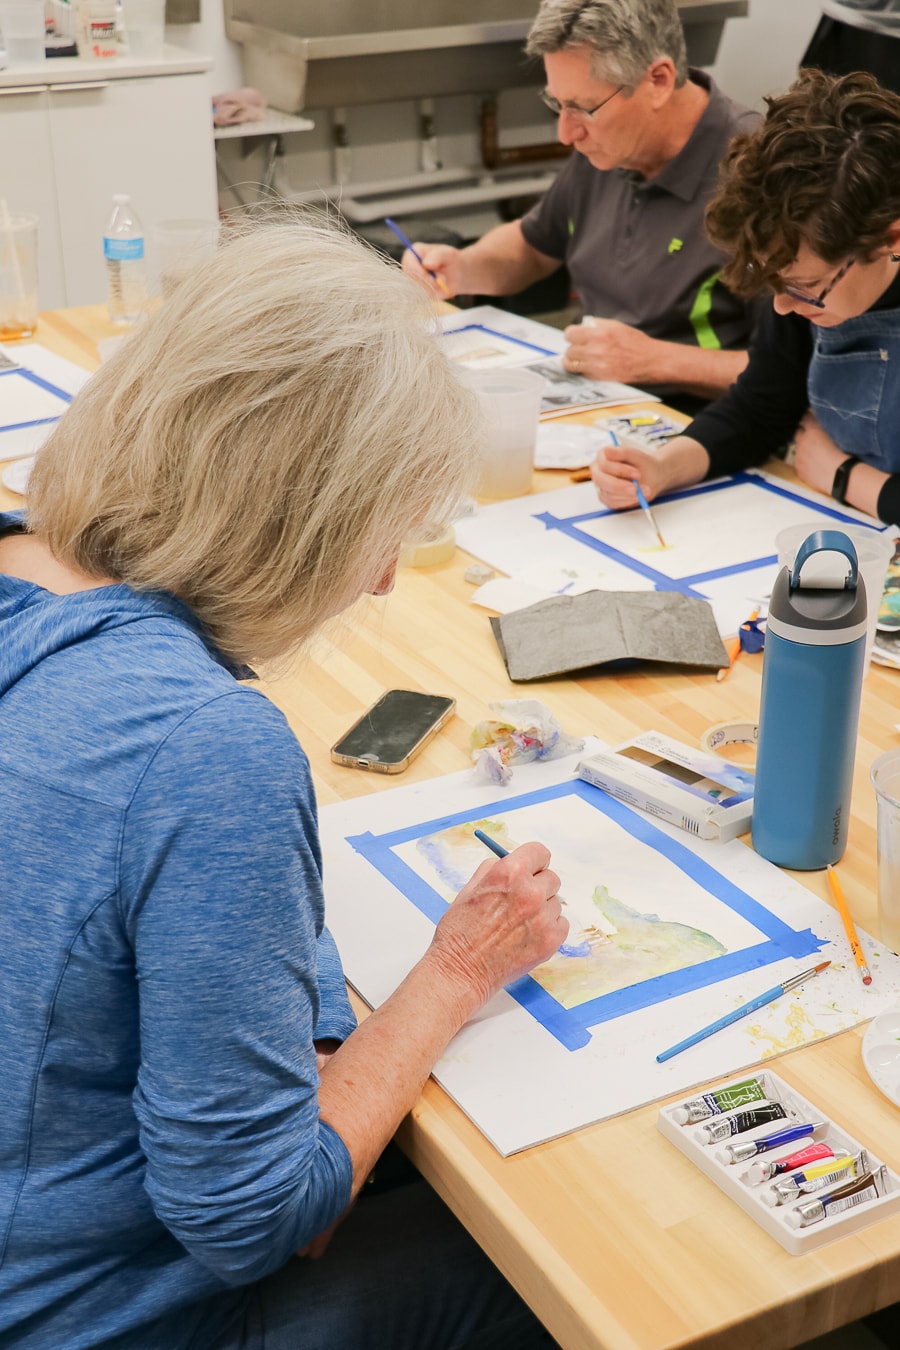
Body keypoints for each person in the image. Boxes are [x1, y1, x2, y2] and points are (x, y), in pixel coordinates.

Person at [0, 221, 568, 1350]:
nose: (387, 578)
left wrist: (312, 1033)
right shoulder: (205, 744)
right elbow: (254, 1219)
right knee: (558, 1265)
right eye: (381, 529)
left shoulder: (28, 566)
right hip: (80, 1320)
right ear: (296, 513)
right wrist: (456, 972)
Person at [401, 0, 759, 407]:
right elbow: (532, 248)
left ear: (658, 81)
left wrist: (657, 362)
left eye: (582, 108)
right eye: (557, 104)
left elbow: (798, 372)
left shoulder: (757, 175)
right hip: (594, 401)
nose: (565, 134)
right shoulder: (610, 148)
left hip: (702, 426)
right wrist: (465, 267)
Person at [590, 68, 900, 525]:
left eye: (805, 290)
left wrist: (847, 477)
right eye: (775, 283)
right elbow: (761, 406)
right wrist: (664, 465)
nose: (782, 306)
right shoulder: (805, 257)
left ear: (890, 239)